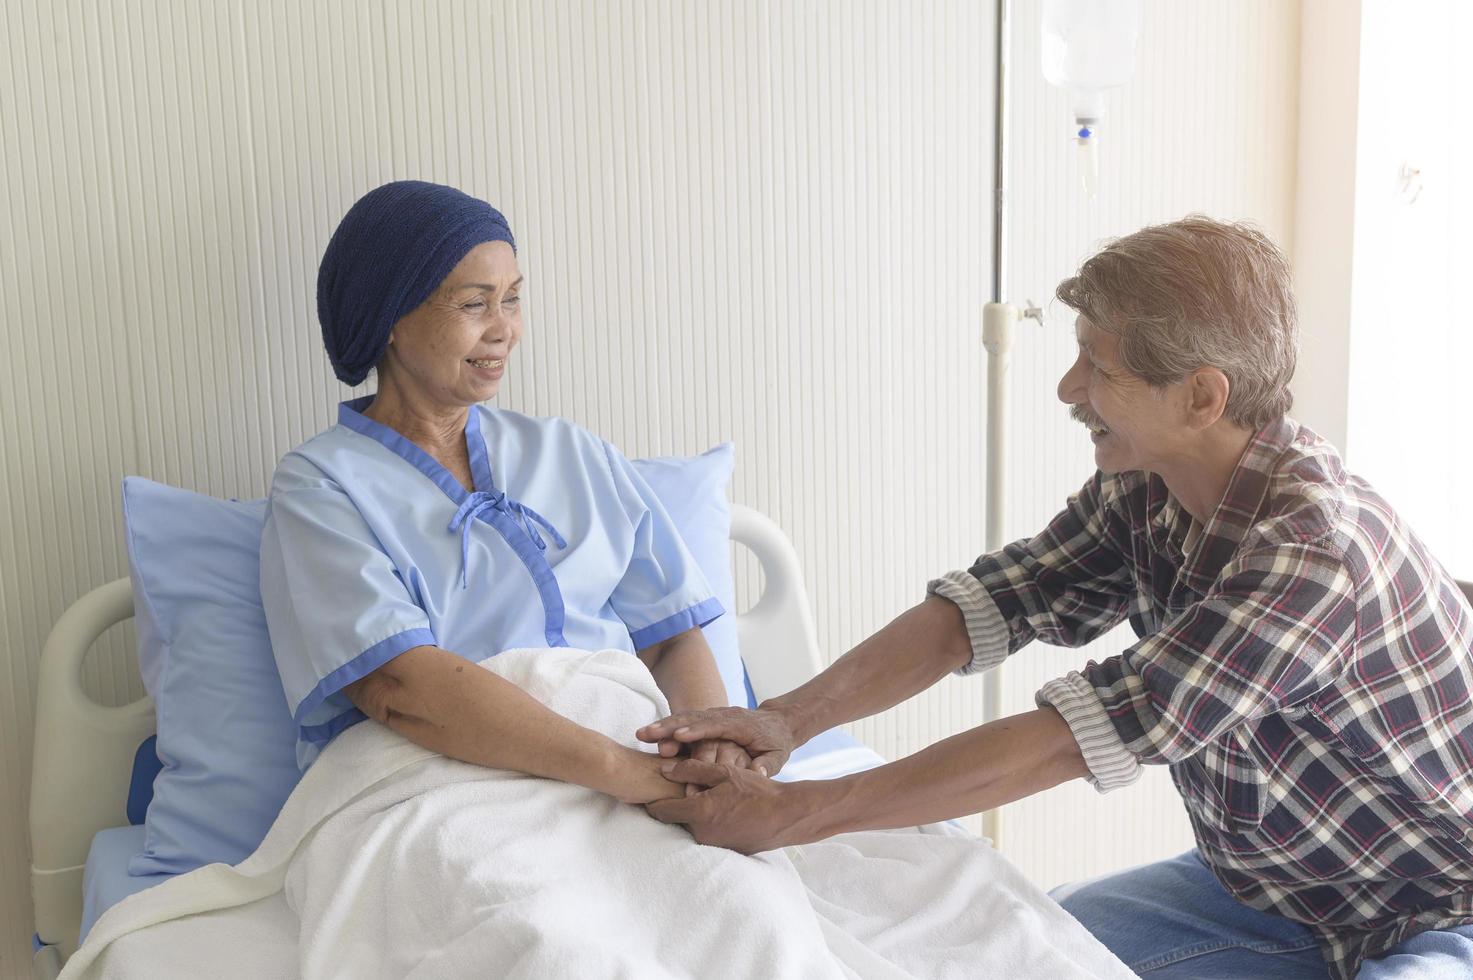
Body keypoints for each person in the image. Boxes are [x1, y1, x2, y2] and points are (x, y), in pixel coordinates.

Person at [638, 216, 1473, 979]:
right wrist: (787, 719)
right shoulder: (1147, 485)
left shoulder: (1311, 556)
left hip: (1440, 909)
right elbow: (992, 607)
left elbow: (1080, 736)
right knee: (1027, 955)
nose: (1068, 389)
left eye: (1097, 366)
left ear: (1202, 397)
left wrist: (797, 813)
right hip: (1274, 891)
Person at [259, 180, 746, 807]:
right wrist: (628, 776)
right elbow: (401, 688)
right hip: (446, 782)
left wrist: (711, 754)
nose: (505, 331)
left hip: (639, 754)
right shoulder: (320, 485)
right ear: (389, 319)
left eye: (512, 300)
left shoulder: (573, 452)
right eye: (474, 304)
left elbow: (671, 636)